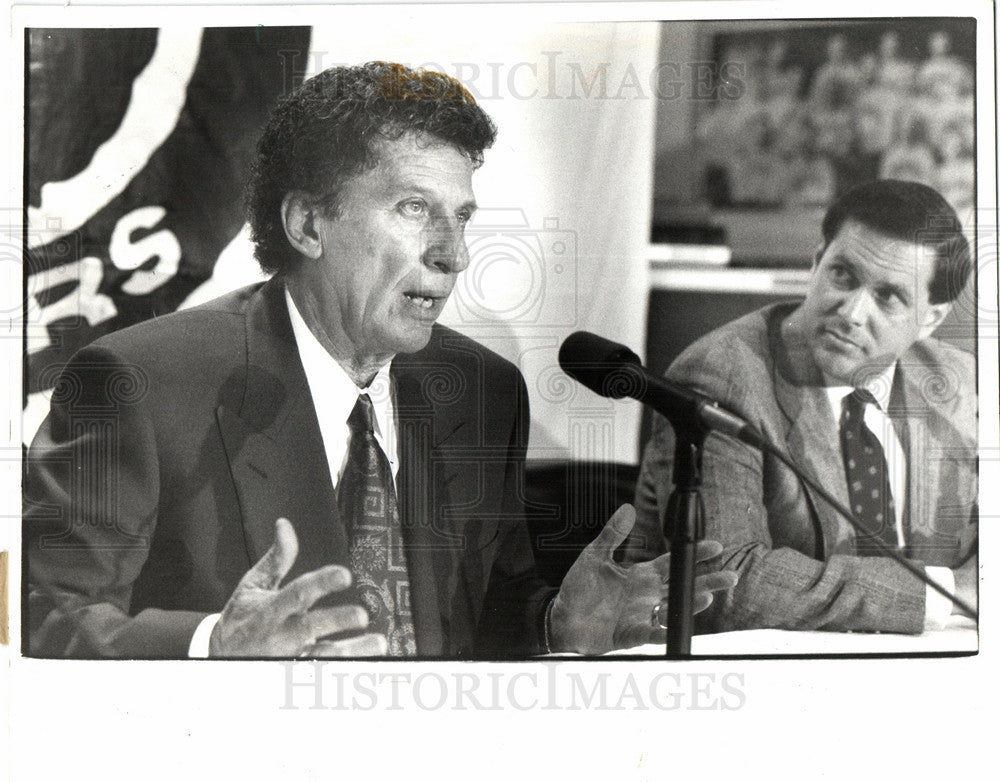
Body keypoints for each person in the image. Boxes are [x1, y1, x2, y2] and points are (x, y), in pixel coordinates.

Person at [24, 61, 735, 659]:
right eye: (414, 209)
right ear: (308, 223)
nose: (453, 257)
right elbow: (43, 621)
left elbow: (480, 621)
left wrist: (556, 626)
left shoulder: (481, 393)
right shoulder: (141, 382)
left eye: (460, 218)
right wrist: (214, 645)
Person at [626, 179, 977, 634]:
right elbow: (724, 583)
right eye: (842, 275)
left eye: (888, 297)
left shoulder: (960, 382)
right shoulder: (721, 377)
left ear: (930, 318)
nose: (851, 313)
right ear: (815, 263)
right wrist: (942, 592)